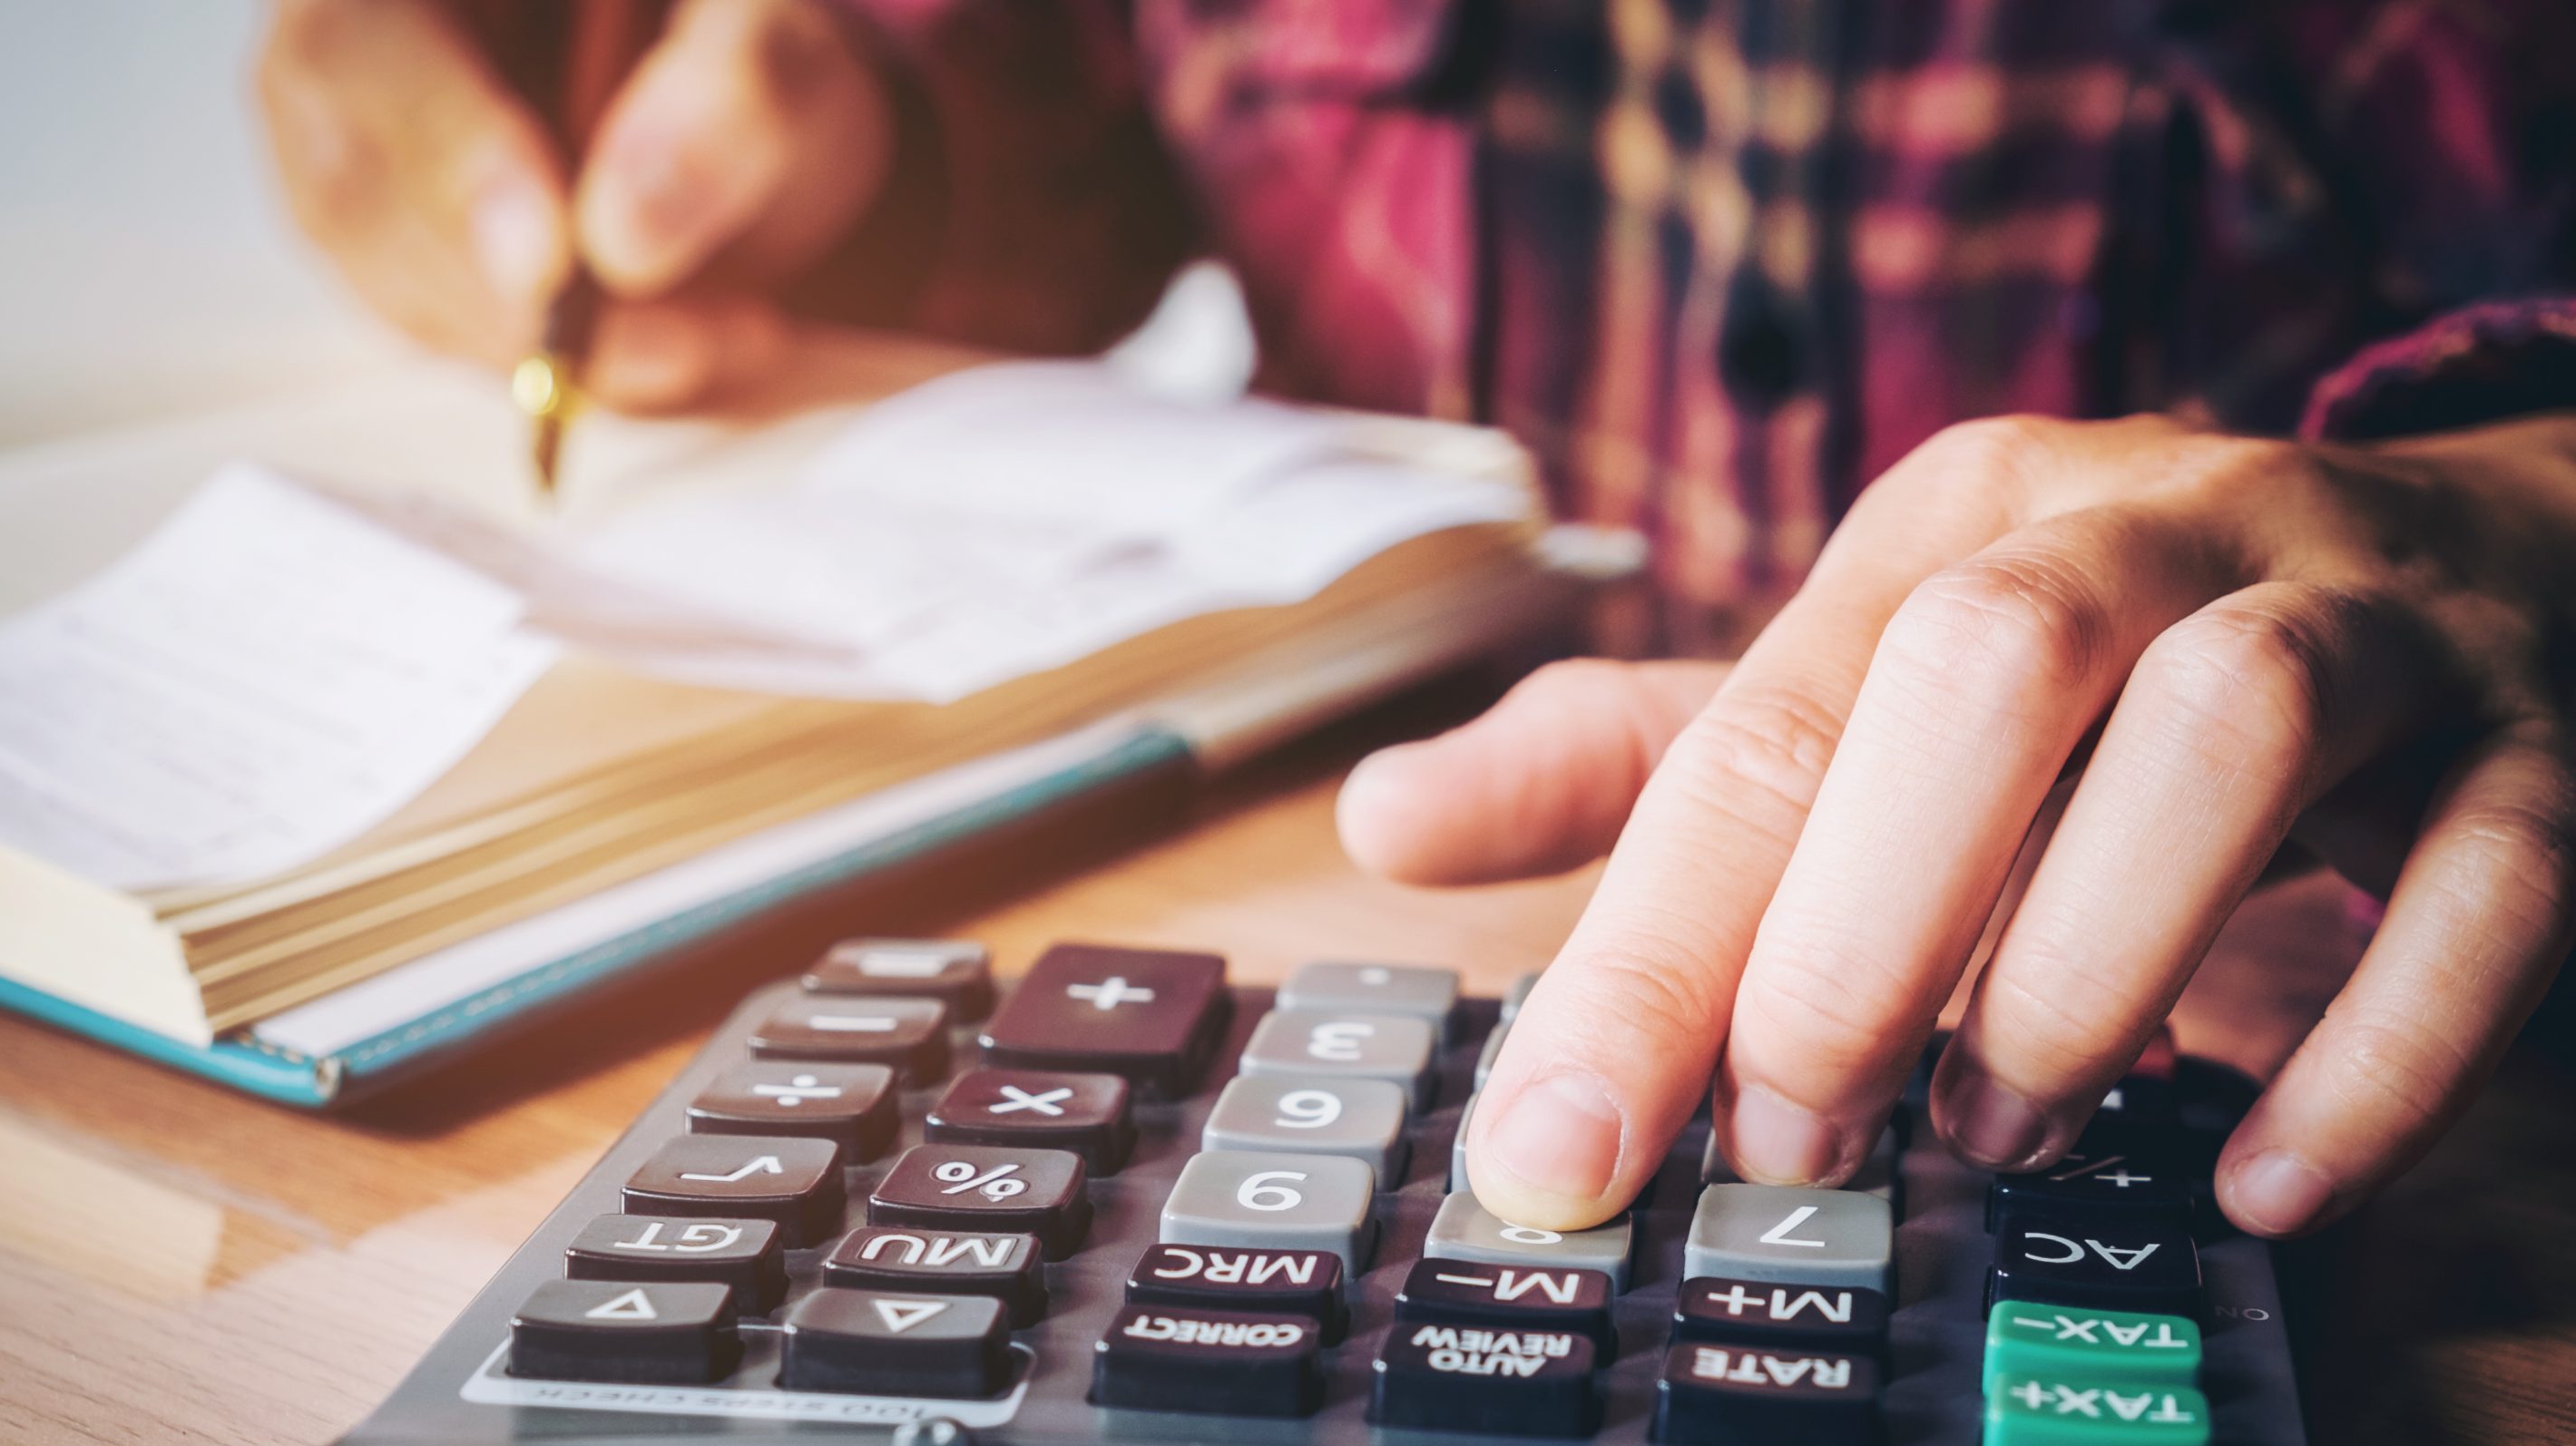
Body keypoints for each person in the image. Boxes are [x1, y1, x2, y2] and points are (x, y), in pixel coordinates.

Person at [260, 0, 2576, 1243]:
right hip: (1410, 902)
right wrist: (826, 127)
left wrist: (2528, 509)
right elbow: (1043, 97)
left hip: (2315, 993)